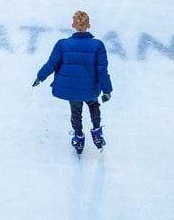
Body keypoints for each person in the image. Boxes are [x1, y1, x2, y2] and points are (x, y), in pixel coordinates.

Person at [32, 11, 113, 155]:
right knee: (93, 105)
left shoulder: (63, 44)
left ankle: (78, 137)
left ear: (73, 25)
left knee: (76, 111)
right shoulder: (97, 45)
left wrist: (40, 77)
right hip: (90, 88)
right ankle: (97, 134)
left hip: (71, 89)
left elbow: (52, 64)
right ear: (88, 25)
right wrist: (107, 90)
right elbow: (102, 70)